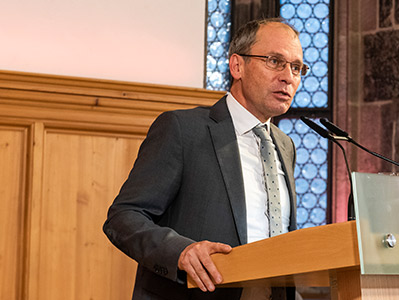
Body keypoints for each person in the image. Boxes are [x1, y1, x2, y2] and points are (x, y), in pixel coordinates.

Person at [103, 18, 307, 300]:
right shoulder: (183, 130)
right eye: (275, 61)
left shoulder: (285, 146)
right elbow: (123, 217)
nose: (288, 76)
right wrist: (180, 251)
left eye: (296, 68)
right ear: (237, 66)